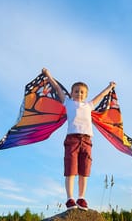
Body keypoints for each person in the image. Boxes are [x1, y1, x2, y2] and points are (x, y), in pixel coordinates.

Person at [42, 68, 116, 211]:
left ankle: (81, 198)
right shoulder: (68, 102)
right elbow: (57, 88)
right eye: (76, 91)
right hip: (72, 140)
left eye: (82, 92)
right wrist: (48, 75)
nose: (79, 94)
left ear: (86, 94)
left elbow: (101, 96)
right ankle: (70, 199)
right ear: (71, 93)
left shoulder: (89, 105)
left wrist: (110, 87)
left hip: (87, 140)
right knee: (70, 171)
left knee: (84, 171)